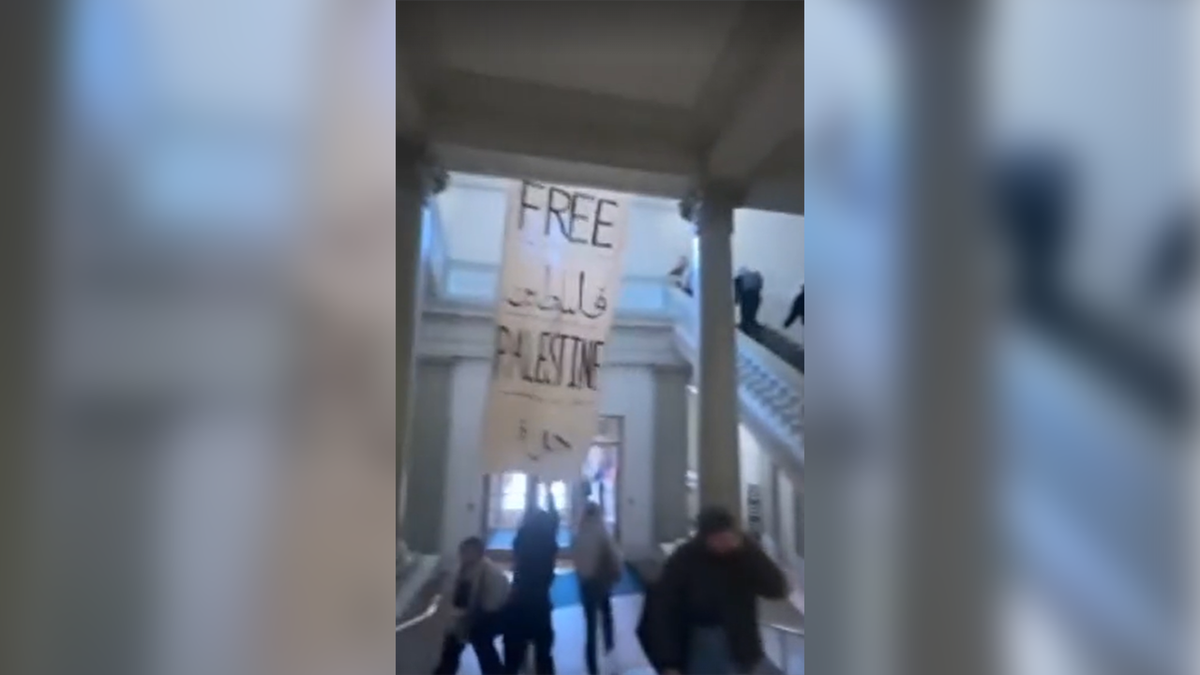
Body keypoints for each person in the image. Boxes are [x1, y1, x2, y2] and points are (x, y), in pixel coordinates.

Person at [646, 506, 788, 674]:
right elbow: (664, 611)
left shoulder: (743, 555)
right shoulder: (685, 559)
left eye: (727, 536)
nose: (723, 543)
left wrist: (749, 551)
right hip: (703, 643)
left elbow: (776, 589)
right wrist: (669, 662)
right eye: (717, 538)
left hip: (742, 644)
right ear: (705, 537)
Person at [433, 537, 510, 675]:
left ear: (477, 553)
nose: (462, 555)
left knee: (481, 644)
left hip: (491, 616)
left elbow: (491, 605)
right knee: (453, 645)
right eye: (462, 551)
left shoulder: (490, 574)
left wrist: (468, 618)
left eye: (466, 552)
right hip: (470, 615)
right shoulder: (464, 568)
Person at [503, 507, 560, 674]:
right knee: (543, 652)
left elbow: (517, 563)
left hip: (520, 597)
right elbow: (555, 519)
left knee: (513, 651)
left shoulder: (522, 537)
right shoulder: (550, 542)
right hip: (540, 599)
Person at [572, 503, 623, 675]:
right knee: (606, 614)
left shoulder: (578, 534)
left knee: (590, 625)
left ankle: (591, 664)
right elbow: (614, 556)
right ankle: (610, 647)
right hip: (601, 582)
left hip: (585, 584)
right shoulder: (602, 533)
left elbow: (576, 560)